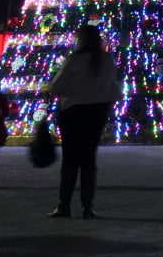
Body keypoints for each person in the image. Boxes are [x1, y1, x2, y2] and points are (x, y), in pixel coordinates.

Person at [47, 24, 123, 219]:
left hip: (73, 112)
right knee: (89, 159)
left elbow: (55, 87)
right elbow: (114, 87)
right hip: (96, 113)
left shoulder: (74, 60)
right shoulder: (106, 60)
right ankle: (87, 206)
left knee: (70, 159)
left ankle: (64, 205)